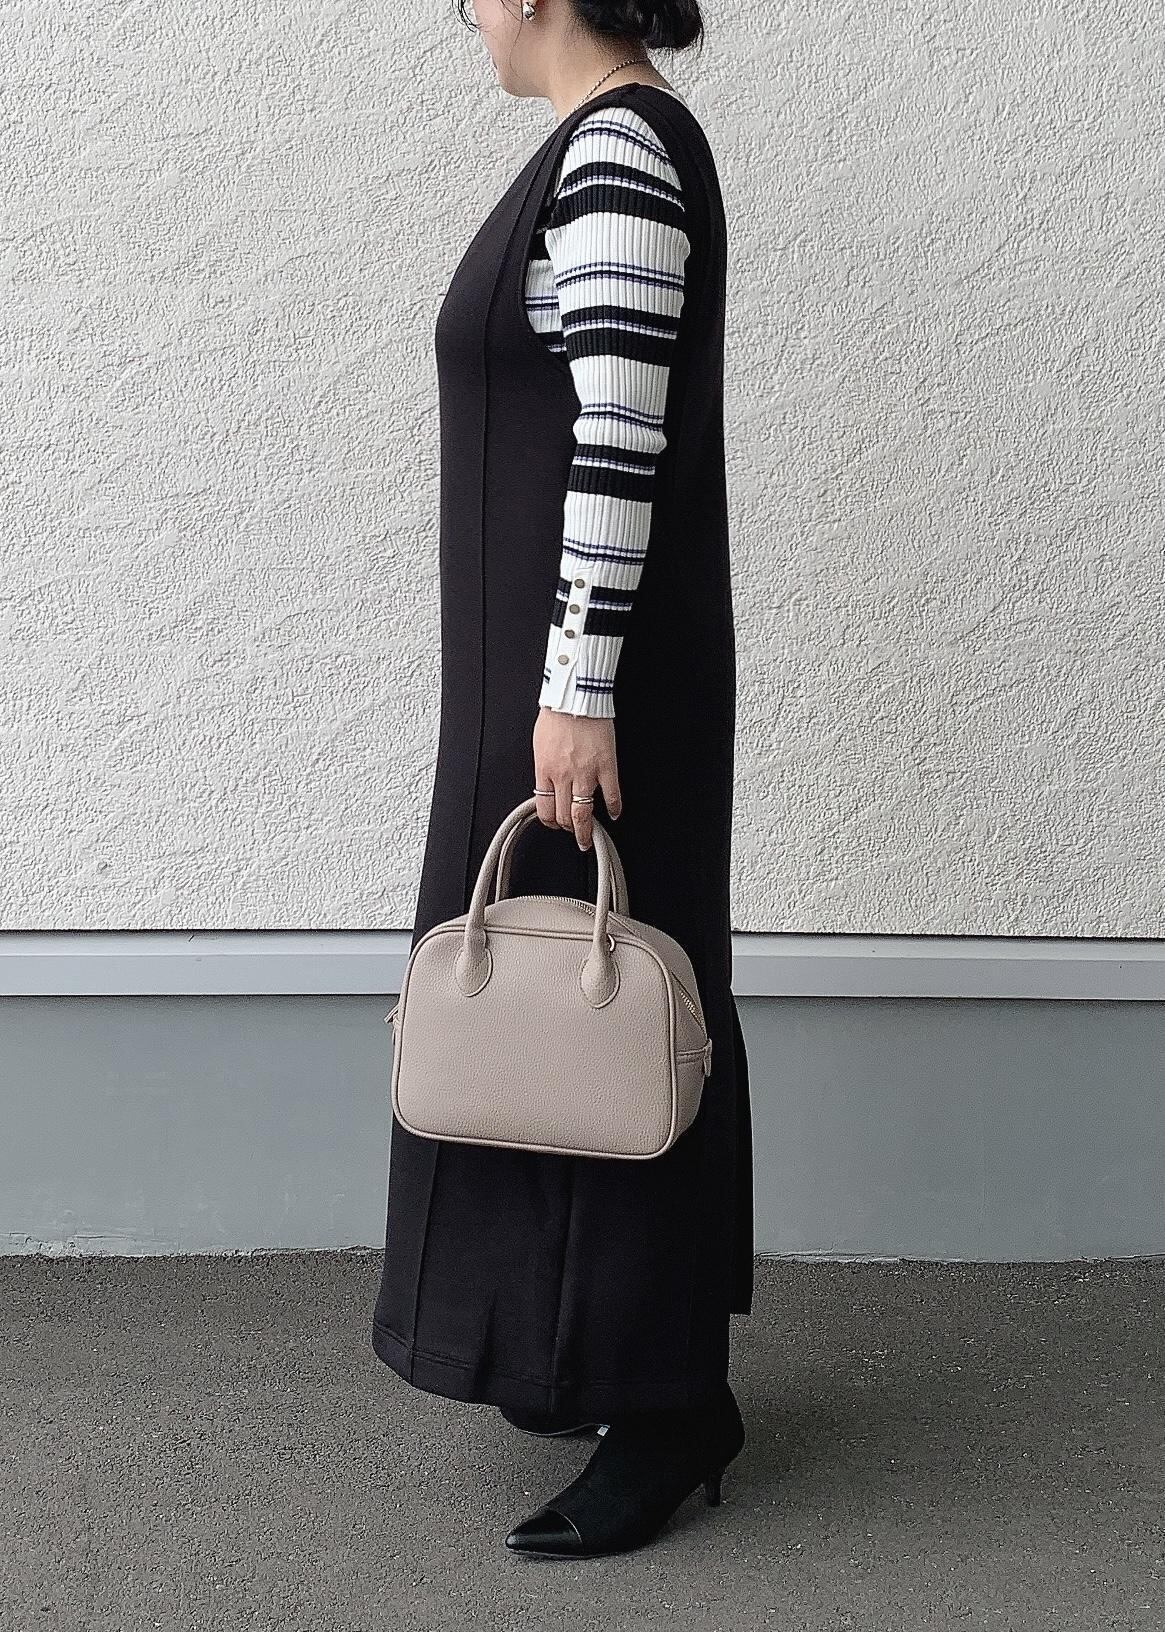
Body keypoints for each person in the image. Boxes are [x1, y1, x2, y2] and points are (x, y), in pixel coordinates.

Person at [371, 0, 754, 1559]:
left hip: (580, 696)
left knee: (607, 1014)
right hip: (536, 690)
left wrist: (576, 688)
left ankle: (665, 1403)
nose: (462, 11)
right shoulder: (594, 148)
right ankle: (582, 1354)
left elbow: (620, 434)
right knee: (536, 1009)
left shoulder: (620, 151)